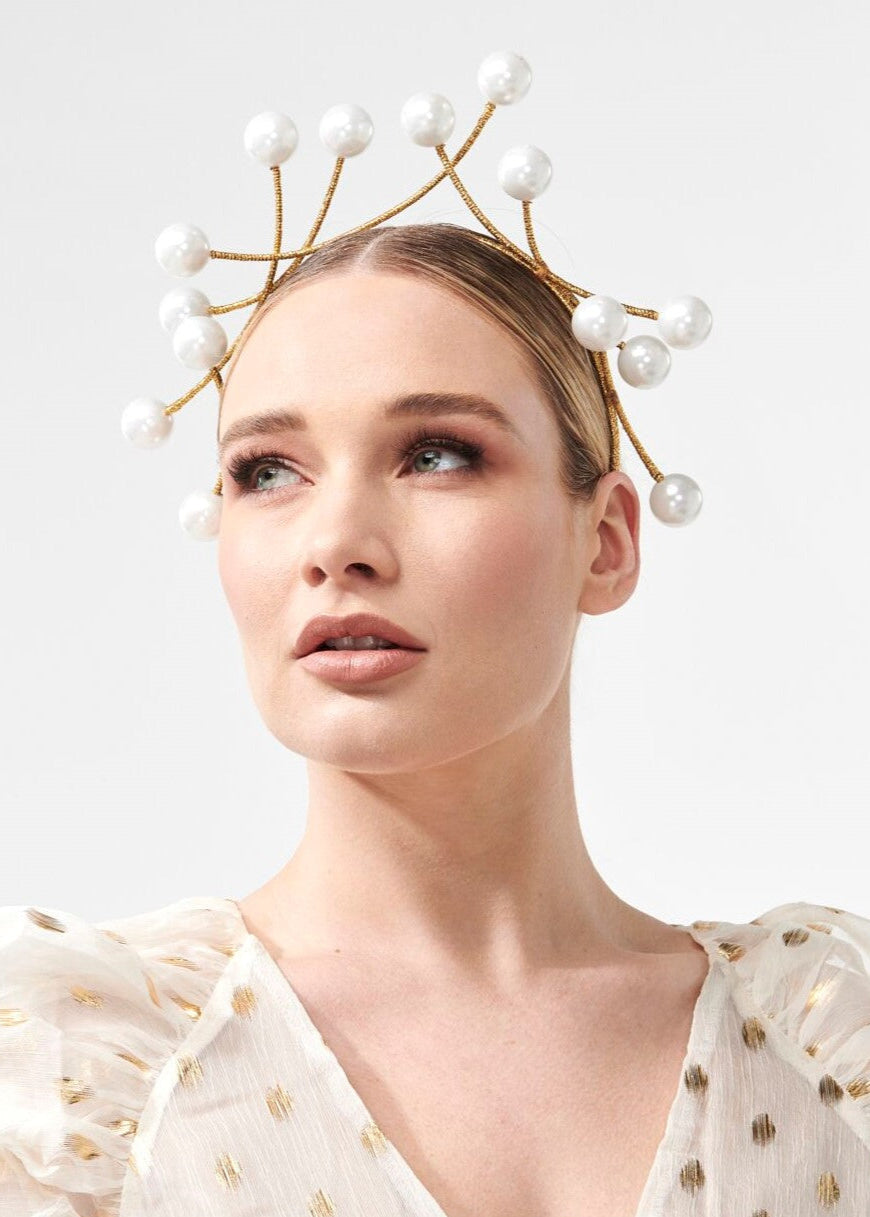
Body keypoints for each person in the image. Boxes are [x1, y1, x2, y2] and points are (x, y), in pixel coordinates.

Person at [1, 223, 868, 1217]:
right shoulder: (78, 1083)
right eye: (267, 471)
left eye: (438, 453)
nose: (336, 544)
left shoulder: (827, 1055)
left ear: (608, 540)